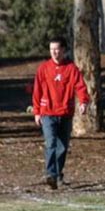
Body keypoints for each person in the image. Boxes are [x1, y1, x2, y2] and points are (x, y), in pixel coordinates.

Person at [33, 36, 90, 190]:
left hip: (65, 113)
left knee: (62, 147)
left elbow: (80, 86)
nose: (54, 53)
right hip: (47, 113)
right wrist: (37, 112)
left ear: (64, 50)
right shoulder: (43, 68)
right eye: (52, 50)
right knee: (50, 143)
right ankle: (51, 174)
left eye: (57, 49)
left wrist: (83, 102)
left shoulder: (71, 68)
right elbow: (37, 91)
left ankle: (58, 175)